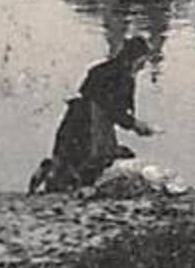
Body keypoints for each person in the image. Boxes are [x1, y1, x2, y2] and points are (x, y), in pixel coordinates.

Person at [40, 37, 156, 189]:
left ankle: (53, 176)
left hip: (73, 119)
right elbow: (111, 109)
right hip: (90, 126)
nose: (142, 67)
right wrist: (135, 124)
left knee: (67, 159)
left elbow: (95, 97)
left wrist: (130, 123)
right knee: (95, 161)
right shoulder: (123, 77)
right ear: (135, 59)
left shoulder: (101, 70)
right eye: (143, 62)